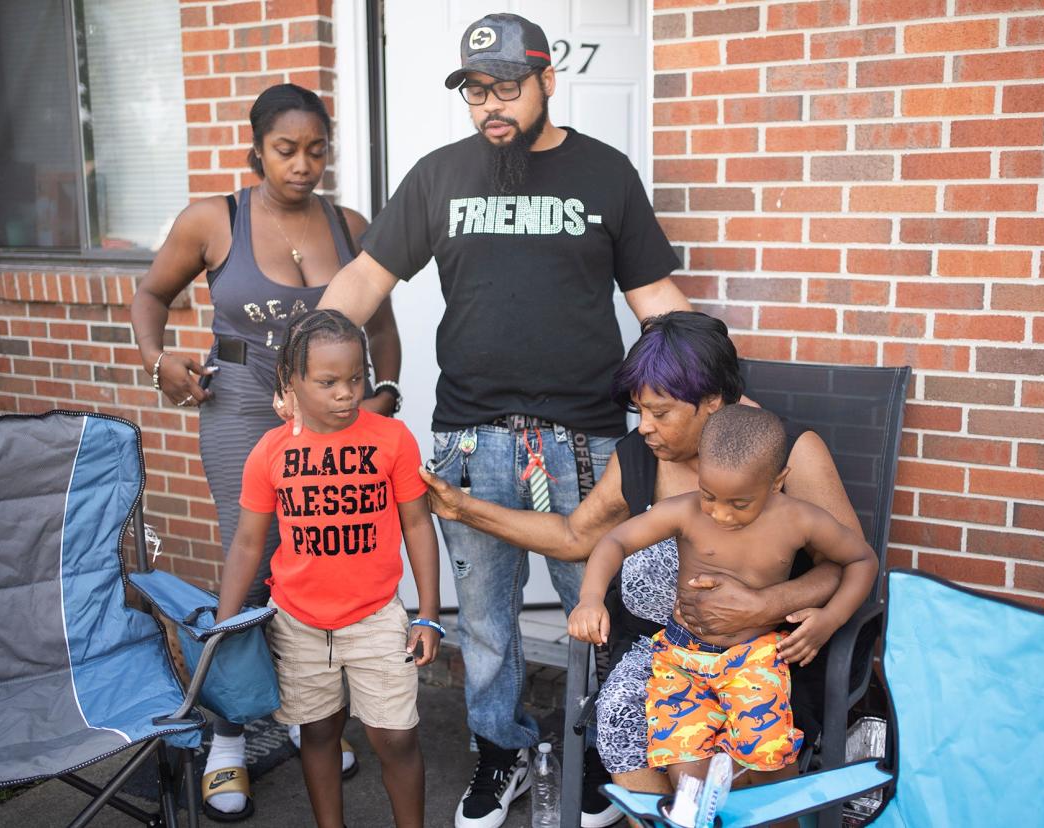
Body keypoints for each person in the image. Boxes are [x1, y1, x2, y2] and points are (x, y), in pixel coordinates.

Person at [296, 13, 696, 828]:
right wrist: (300, 368)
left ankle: (604, 752)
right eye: (478, 90)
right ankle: (501, 750)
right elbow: (364, 281)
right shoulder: (441, 175)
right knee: (483, 619)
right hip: (471, 436)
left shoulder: (606, 174)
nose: (491, 106)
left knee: (603, 605)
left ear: (549, 79)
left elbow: (656, 304)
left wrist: (714, 398)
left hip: (584, 438)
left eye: (506, 87)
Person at [420, 311, 865, 797]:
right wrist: (462, 509)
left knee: (711, 767)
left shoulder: (785, 456)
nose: (646, 427)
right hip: (664, 661)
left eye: (662, 412)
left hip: (763, 662)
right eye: (640, 411)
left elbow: (845, 564)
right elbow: (575, 535)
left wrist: (766, 604)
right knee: (625, 727)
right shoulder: (639, 454)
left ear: (713, 402)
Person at [129, 83, 402, 819]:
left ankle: (316, 719)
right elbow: (149, 295)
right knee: (249, 569)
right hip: (243, 407)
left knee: (329, 560)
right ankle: (227, 738)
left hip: (333, 418)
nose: (303, 164)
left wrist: (385, 395)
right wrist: (161, 363)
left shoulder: (348, 224)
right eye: (287, 150)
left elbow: (381, 328)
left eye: (317, 150)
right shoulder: (214, 219)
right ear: (256, 149)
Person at [569, 405, 877, 802]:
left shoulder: (800, 519)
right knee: (687, 777)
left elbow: (861, 559)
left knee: (769, 763)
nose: (720, 513)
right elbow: (615, 541)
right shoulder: (686, 511)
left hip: (753, 659)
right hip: (682, 657)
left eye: (739, 503)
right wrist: (591, 598)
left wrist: (829, 619)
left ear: (778, 482)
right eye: (709, 495)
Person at [215, 309, 442, 828]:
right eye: (328, 382)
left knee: (397, 737)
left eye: (357, 378)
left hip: (375, 617)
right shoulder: (270, 451)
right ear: (289, 382)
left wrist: (428, 614)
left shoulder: (392, 439)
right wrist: (224, 626)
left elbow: (418, 527)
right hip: (297, 621)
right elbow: (249, 543)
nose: (347, 393)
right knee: (317, 733)